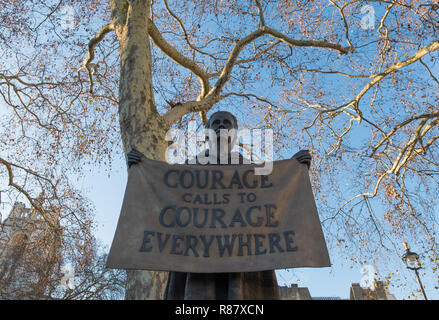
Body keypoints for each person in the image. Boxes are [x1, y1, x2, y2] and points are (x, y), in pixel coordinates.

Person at [127, 111, 311, 299]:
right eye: (216, 123)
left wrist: (294, 169)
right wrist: (143, 167)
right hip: (197, 258)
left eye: (226, 123)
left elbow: (275, 196)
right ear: (207, 132)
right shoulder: (190, 168)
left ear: (235, 132)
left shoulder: (250, 168)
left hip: (243, 257)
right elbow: (164, 194)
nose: (221, 126)